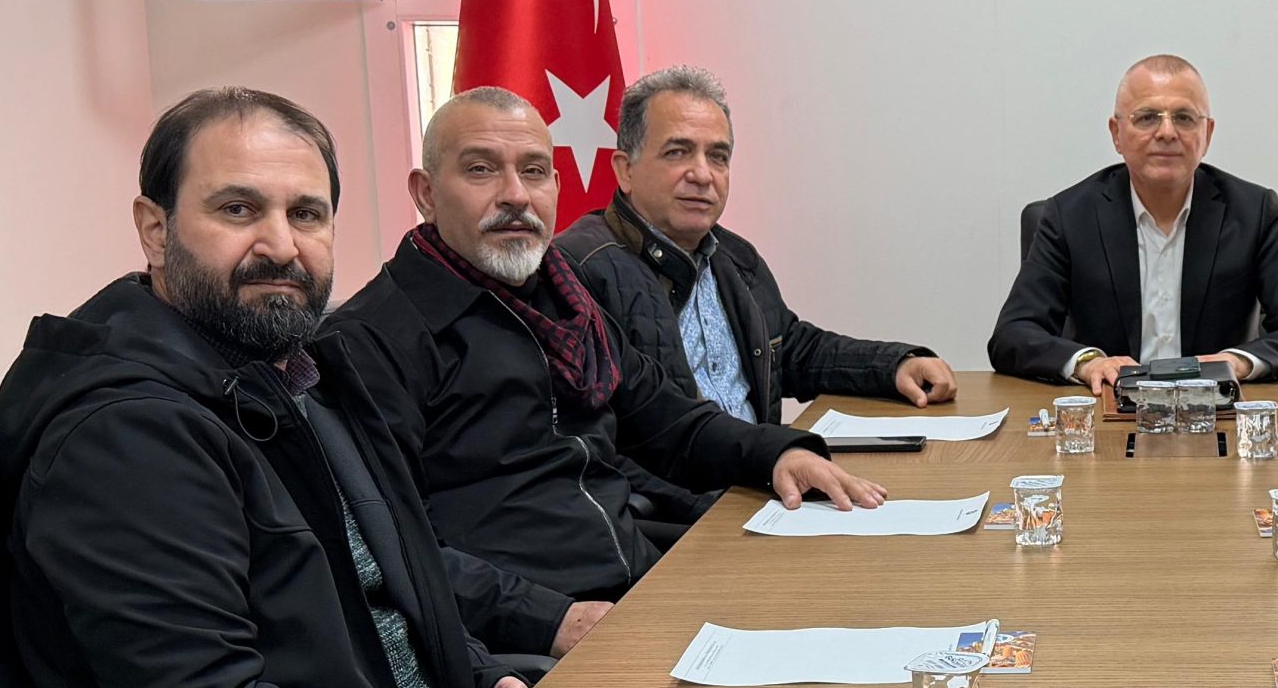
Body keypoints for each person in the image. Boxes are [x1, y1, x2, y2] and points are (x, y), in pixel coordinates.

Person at [0, 89, 600, 688]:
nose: (280, 246)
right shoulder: (128, 437)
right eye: (238, 210)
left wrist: (479, 676)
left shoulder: (297, 374)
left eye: (306, 214)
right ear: (156, 230)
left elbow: (375, 592)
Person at [327, 88, 887, 602]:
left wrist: (780, 454)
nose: (515, 195)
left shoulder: (565, 298)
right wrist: (551, 622)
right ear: (426, 193)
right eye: (481, 170)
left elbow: (669, 422)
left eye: (534, 171)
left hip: (635, 577)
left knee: (850, 588)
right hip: (530, 635)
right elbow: (393, 547)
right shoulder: (369, 340)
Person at [560, 68, 953, 527]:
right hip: (690, 518)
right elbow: (620, 445)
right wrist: (723, 509)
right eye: (677, 152)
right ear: (625, 170)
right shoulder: (580, 272)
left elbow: (792, 349)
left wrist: (894, 366)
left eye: (718, 156)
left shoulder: (732, 255)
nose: (702, 174)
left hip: (764, 484)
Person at [988, 54, 1278, 389]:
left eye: (1184, 118)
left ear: (1208, 133)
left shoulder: (1255, 212)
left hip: (1216, 410)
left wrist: (1236, 362)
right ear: (1116, 133)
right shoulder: (1069, 215)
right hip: (1108, 409)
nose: (1167, 132)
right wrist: (1087, 363)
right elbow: (1013, 334)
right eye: (1147, 117)